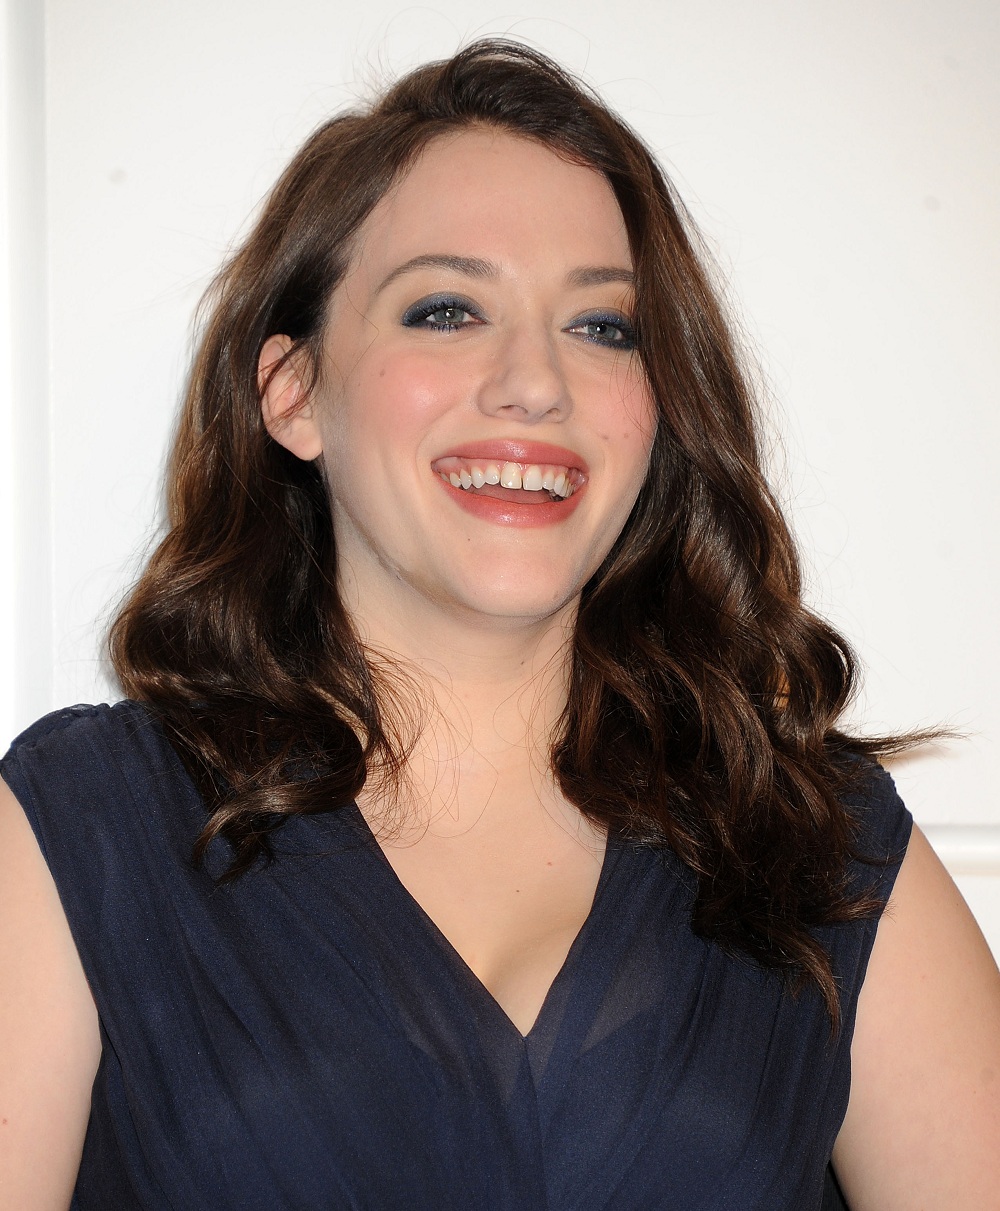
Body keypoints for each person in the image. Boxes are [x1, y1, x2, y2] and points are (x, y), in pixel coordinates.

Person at [1, 39, 998, 1211]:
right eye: (446, 309)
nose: (536, 381)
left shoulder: (822, 843)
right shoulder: (81, 829)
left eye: (602, 327)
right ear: (293, 391)